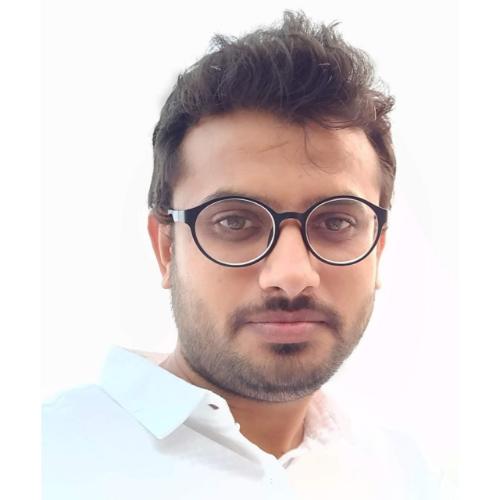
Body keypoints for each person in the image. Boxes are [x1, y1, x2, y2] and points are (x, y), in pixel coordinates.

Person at [42, 11, 440, 499]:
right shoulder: (42, 462)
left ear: (378, 248)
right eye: (235, 222)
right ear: (165, 248)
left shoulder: (407, 474)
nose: (291, 275)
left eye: (336, 222)